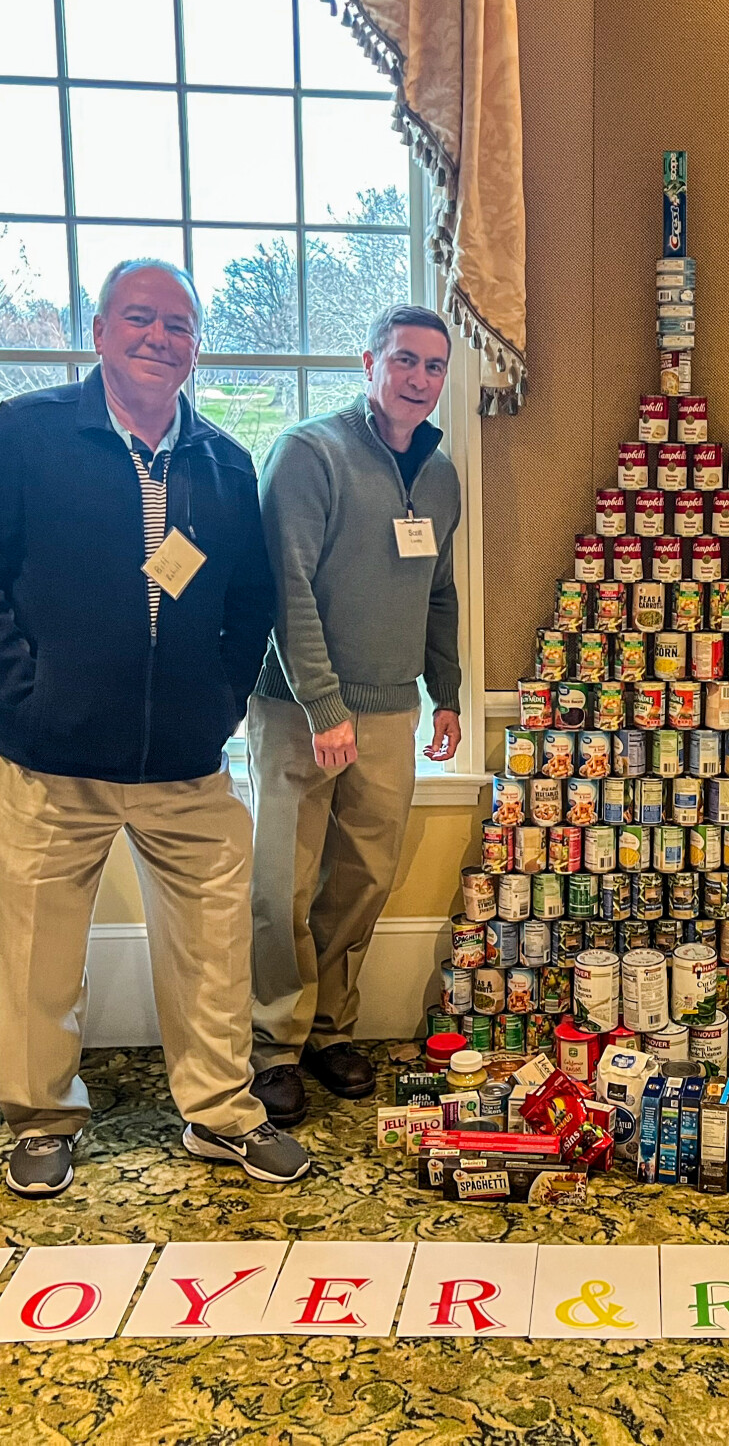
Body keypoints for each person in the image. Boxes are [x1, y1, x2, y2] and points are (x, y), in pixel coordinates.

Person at [0, 258, 310, 1197]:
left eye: (179, 326)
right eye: (139, 319)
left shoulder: (224, 462)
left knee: (214, 948)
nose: (159, 339)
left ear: (196, 348)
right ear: (97, 332)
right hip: (47, 758)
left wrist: (219, 702)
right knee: (38, 954)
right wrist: (27, 688)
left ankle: (221, 1115)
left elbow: (252, 600)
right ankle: (41, 1119)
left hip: (187, 765)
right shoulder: (25, 434)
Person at [246, 304, 463, 1125]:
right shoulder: (309, 453)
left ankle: (331, 1030)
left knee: (362, 881)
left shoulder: (440, 477)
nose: (418, 379)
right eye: (404, 361)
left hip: (390, 711)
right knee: (282, 887)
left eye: (433, 368)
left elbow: (438, 591)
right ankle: (273, 1045)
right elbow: (285, 587)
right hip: (300, 712)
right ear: (368, 363)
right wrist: (322, 703)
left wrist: (446, 691)